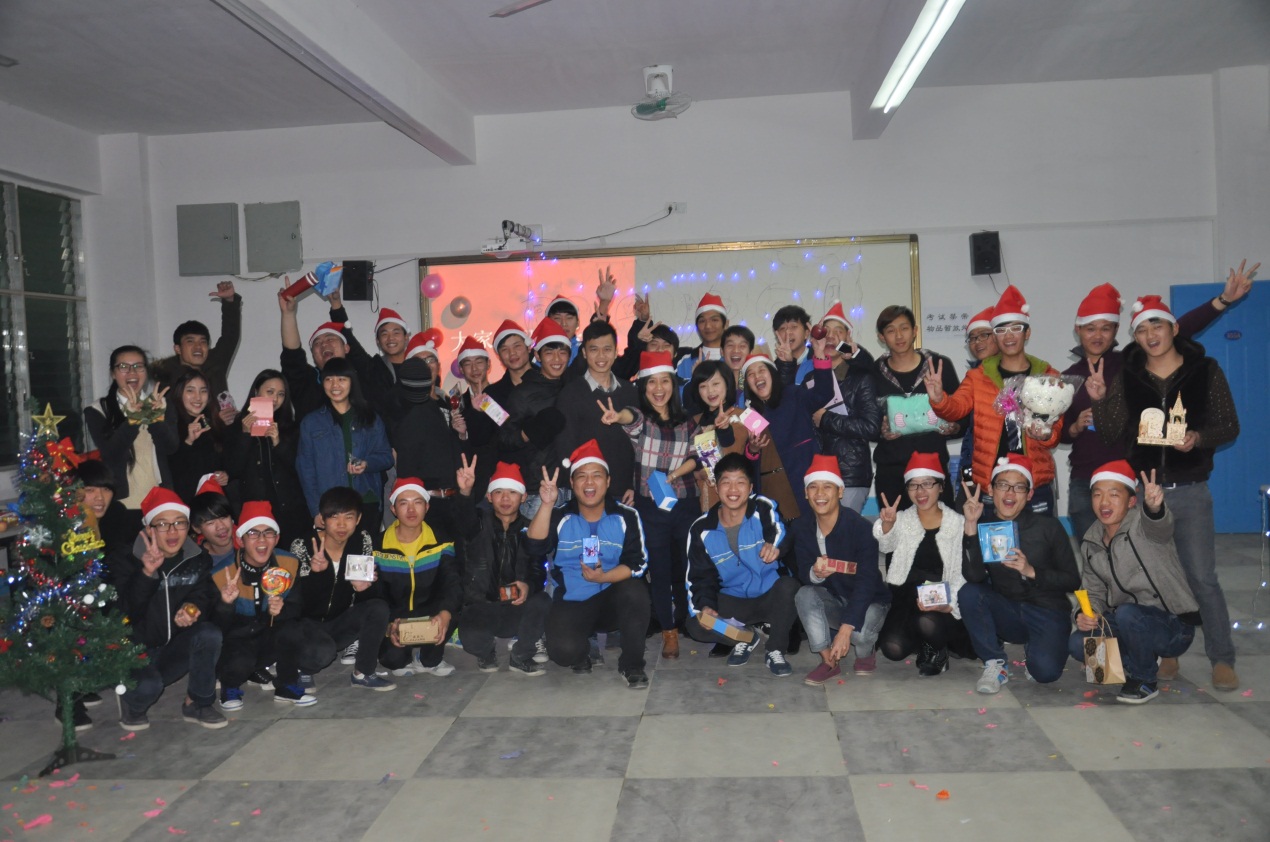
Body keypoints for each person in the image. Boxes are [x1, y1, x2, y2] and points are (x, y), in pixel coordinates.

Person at [1087, 294, 1242, 692]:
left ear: (1174, 328)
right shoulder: (1129, 376)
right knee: (1153, 578)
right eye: (1141, 329)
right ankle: (1167, 650)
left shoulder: (1204, 370)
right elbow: (1110, 433)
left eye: (1156, 325)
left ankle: (1222, 657)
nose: (1150, 334)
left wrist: (1198, 438)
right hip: (1143, 494)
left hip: (1190, 491)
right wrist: (1100, 399)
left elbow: (1229, 425)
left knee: (1201, 577)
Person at [1060, 265, 1253, 540]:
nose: (1098, 335)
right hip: (1085, 477)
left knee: (1133, 554)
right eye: (1090, 328)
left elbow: (1175, 330)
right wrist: (1076, 427)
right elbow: (1062, 433)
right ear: (1078, 330)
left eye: (1106, 328)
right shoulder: (1068, 377)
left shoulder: (1131, 363)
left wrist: (1222, 301)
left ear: (1116, 330)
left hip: (1128, 476)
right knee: (1092, 552)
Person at [1068, 461, 1200, 704]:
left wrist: (1154, 507)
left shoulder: (1143, 524)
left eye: (1113, 494)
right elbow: (1092, 591)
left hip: (1173, 626)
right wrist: (1085, 613)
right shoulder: (1091, 541)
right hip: (1127, 620)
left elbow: (1160, 524)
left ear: (1131, 501)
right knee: (1079, 644)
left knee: (1128, 613)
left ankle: (1145, 679)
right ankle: (1140, 658)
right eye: (1097, 494)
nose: (1104, 502)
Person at [525, 441, 651, 689]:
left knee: (636, 590)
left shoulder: (626, 516)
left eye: (596, 475)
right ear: (572, 483)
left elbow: (638, 564)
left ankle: (632, 664)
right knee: (563, 654)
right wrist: (547, 505)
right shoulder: (560, 516)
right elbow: (534, 547)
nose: (589, 482)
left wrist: (603, 578)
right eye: (582, 476)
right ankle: (582, 648)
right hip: (572, 601)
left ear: (608, 481)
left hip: (611, 599)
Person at [600, 351, 702, 657]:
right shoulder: (642, 420)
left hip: (686, 503)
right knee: (658, 569)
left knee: (686, 566)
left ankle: (687, 619)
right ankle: (669, 631)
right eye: (652, 383)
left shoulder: (688, 422)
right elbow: (629, 418)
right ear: (644, 388)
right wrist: (617, 417)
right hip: (650, 506)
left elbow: (698, 457)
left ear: (673, 384)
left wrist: (674, 474)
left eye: (664, 381)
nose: (659, 389)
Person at [927, 286, 1062, 517]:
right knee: (991, 538)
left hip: (1034, 482)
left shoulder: (1047, 375)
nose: (1008, 336)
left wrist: (1046, 434)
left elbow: (1055, 432)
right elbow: (956, 409)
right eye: (1001, 330)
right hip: (990, 482)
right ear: (995, 335)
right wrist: (939, 399)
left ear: (1027, 333)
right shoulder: (978, 376)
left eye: (1016, 328)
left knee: (1038, 539)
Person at [959, 454, 1081, 694]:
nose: (1010, 493)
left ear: (1030, 494)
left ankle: (1036, 649)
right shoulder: (985, 527)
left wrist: (1031, 571)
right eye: (1003, 485)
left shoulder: (1049, 527)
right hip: (1009, 611)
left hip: (1048, 611)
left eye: (1018, 487)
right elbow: (974, 577)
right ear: (991, 490)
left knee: (1045, 674)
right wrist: (970, 527)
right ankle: (995, 663)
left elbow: (1072, 581)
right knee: (969, 593)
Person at [111, 488, 227, 731]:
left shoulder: (197, 558)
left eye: (180, 523)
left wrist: (192, 608)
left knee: (209, 633)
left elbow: (203, 596)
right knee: (148, 688)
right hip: (133, 651)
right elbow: (122, 613)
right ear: (149, 529)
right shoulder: (125, 558)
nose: (173, 531)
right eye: (163, 524)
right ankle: (132, 703)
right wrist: (146, 573)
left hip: (172, 648)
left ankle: (198, 702)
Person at [684, 452, 797, 676]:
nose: (733, 490)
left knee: (790, 587)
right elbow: (698, 577)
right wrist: (705, 606)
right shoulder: (701, 529)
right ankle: (744, 637)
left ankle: (775, 649)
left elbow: (779, 530)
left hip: (769, 597)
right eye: (726, 482)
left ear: (751, 487)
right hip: (732, 602)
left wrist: (774, 546)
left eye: (740, 482)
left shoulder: (762, 508)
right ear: (717, 487)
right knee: (696, 623)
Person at [211, 501, 321, 708]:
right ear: (240, 540)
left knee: (296, 632)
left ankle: (287, 686)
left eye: (268, 533)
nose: (262, 540)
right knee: (240, 659)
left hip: (269, 638)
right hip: (237, 641)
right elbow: (214, 628)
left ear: (277, 538)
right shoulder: (221, 573)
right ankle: (229, 686)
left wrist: (281, 610)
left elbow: (298, 607)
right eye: (253, 533)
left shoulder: (289, 564)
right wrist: (225, 604)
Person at [792, 456, 890, 684]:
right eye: (813, 487)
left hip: (870, 600)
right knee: (804, 594)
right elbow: (802, 571)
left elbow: (867, 582)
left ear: (840, 492)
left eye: (827, 486)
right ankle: (828, 661)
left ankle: (866, 652)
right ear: (806, 493)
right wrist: (815, 573)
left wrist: (846, 629)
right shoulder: (802, 527)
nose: (820, 493)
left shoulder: (861, 529)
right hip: (835, 599)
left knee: (859, 634)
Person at [874, 453, 972, 676]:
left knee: (928, 623)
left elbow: (962, 573)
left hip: (942, 596)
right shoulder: (902, 518)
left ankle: (937, 648)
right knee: (892, 648)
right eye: (914, 485)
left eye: (927, 484)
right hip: (907, 595)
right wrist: (887, 525)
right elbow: (886, 545)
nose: (920, 492)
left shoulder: (957, 523)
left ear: (941, 486)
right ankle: (923, 641)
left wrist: (949, 604)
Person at [288, 486, 395, 691]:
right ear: (322, 519)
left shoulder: (362, 540)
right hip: (305, 624)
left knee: (378, 607)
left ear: (358, 518)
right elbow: (297, 602)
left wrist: (364, 589)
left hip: (339, 621)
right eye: (334, 517)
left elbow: (369, 595)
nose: (341, 524)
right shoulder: (303, 545)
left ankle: (363, 672)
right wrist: (316, 574)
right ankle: (301, 668)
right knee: (323, 652)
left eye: (348, 517)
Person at [454, 459, 550, 675]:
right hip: (482, 605)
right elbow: (463, 517)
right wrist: (465, 492)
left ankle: (521, 655)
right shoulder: (478, 523)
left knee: (543, 601)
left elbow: (539, 570)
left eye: (512, 492)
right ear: (489, 497)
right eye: (498, 492)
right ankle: (487, 652)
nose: (505, 498)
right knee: (472, 640)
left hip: (515, 606)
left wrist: (528, 586)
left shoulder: (531, 528)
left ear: (523, 497)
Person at [872, 305, 961, 510]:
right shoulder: (873, 373)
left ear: (915, 331)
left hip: (933, 469)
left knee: (942, 528)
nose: (899, 335)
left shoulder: (939, 365)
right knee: (893, 528)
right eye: (891, 330)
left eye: (904, 328)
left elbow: (960, 411)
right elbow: (867, 422)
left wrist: (955, 427)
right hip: (892, 471)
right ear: (882, 337)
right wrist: (880, 431)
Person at [372, 478, 461, 678]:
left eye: (417, 502)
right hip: (396, 615)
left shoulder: (441, 541)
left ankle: (426, 657)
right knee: (393, 659)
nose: (411, 510)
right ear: (393, 509)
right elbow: (374, 594)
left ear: (427, 507)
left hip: (430, 612)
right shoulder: (378, 546)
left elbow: (452, 583)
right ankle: (401, 654)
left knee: (451, 612)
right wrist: (388, 625)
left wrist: (445, 613)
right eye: (404, 503)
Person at [740, 338, 833, 523]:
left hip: (805, 484)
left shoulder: (793, 394)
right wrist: (753, 449)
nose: (757, 376)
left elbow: (824, 393)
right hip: (773, 494)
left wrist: (819, 354)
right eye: (751, 374)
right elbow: (749, 465)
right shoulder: (749, 415)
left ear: (772, 374)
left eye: (761, 370)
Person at [295, 357, 393, 527]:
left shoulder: (370, 418)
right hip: (331, 504)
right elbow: (306, 470)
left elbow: (387, 457)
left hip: (366, 500)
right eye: (329, 379)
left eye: (341, 379)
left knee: (366, 545)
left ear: (352, 382)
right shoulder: (311, 423)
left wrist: (367, 464)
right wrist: (315, 509)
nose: (335, 385)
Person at [553, 320, 640, 503]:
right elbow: (565, 447)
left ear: (616, 352)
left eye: (607, 349)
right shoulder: (570, 394)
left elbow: (639, 444)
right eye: (594, 349)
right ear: (584, 353)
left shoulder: (630, 391)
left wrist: (633, 484)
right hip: (586, 493)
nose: (601, 356)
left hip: (624, 492)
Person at [84, 346, 177, 511]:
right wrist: (132, 421)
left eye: (138, 366)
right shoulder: (97, 410)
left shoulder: (160, 403)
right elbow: (111, 454)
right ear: (113, 373)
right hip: (124, 502)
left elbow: (171, 447)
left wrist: (154, 418)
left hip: (160, 498)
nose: (132, 372)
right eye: (123, 367)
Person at [390, 342, 465, 541]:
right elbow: (406, 463)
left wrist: (461, 434)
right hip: (425, 501)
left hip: (452, 499)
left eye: (430, 360)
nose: (426, 366)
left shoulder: (445, 403)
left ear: (438, 366)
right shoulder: (404, 410)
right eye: (419, 363)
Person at [226, 369, 309, 546]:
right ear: (256, 392)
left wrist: (278, 443)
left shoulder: (291, 428)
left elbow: (300, 468)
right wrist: (245, 435)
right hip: (255, 511)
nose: (275, 399)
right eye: (269, 392)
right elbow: (232, 469)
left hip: (288, 510)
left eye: (281, 394)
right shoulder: (237, 427)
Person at [499, 318, 572, 515]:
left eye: (562, 352)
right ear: (537, 355)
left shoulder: (573, 387)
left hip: (574, 486)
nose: (556, 359)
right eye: (549, 352)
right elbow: (504, 438)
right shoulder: (523, 393)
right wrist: (528, 432)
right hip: (539, 490)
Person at [814, 304, 882, 513]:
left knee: (845, 531)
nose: (831, 336)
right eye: (827, 331)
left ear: (847, 337)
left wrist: (826, 419)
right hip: (817, 473)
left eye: (838, 331)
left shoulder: (861, 377)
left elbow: (872, 428)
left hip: (850, 475)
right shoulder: (810, 376)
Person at [149, 280, 242, 416]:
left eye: (203, 342)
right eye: (190, 341)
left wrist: (229, 301)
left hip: (226, 429)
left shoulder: (215, 364)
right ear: (178, 349)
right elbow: (173, 421)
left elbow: (230, 336)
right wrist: (216, 421)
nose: (198, 347)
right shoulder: (167, 379)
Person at [277, 283, 351, 420]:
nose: (324, 344)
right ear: (313, 355)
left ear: (346, 348)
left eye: (330, 339)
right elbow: (292, 356)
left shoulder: (361, 376)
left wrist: (336, 305)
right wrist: (288, 314)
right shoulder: (307, 381)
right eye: (317, 343)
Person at [686, 361, 749, 512]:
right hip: (695, 503)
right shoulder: (692, 422)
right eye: (703, 386)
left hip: (733, 498)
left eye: (715, 384)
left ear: (727, 384)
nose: (710, 391)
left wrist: (724, 428)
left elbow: (736, 451)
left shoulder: (746, 416)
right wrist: (698, 474)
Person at [167, 368, 231, 505]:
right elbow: (171, 469)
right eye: (190, 390)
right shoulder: (170, 425)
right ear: (179, 393)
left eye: (203, 391)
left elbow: (225, 462)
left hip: (212, 504)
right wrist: (188, 441)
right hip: (182, 504)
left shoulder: (214, 424)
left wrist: (225, 475)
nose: (198, 397)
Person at [953, 306, 997, 502]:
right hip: (970, 461)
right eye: (972, 338)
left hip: (1004, 465)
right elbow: (960, 415)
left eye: (984, 335)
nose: (977, 342)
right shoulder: (972, 377)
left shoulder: (1015, 375)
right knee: (966, 507)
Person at [451, 336, 500, 499]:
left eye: (479, 362)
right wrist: (462, 434)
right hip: (476, 480)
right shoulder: (458, 404)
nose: (474, 368)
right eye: (468, 364)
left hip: (503, 475)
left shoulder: (501, 394)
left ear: (488, 364)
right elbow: (460, 449)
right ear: (461, 369)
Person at [75, 458, 138, 556]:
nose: (100, 497)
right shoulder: (63, 525)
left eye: (106, 489)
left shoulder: (118, 518)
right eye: (90, 490)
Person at [675, 293, 729, 381]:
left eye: (714, 320)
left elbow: (743, 386)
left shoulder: (736, 358)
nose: (708, 326)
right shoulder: (683, 359)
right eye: (702, 321)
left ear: (726, 324)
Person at [189, 476, 237, 571]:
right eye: (211, 522)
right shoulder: (194, 563)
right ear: (197, 528)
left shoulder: (248, 546)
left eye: (223, 517)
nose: (221, 526)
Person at [772, 304, 815, 385]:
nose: (788, 332)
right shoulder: (773, 370)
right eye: (782, 328)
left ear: (806, 333)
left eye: (794, 327)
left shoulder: (818, 360)